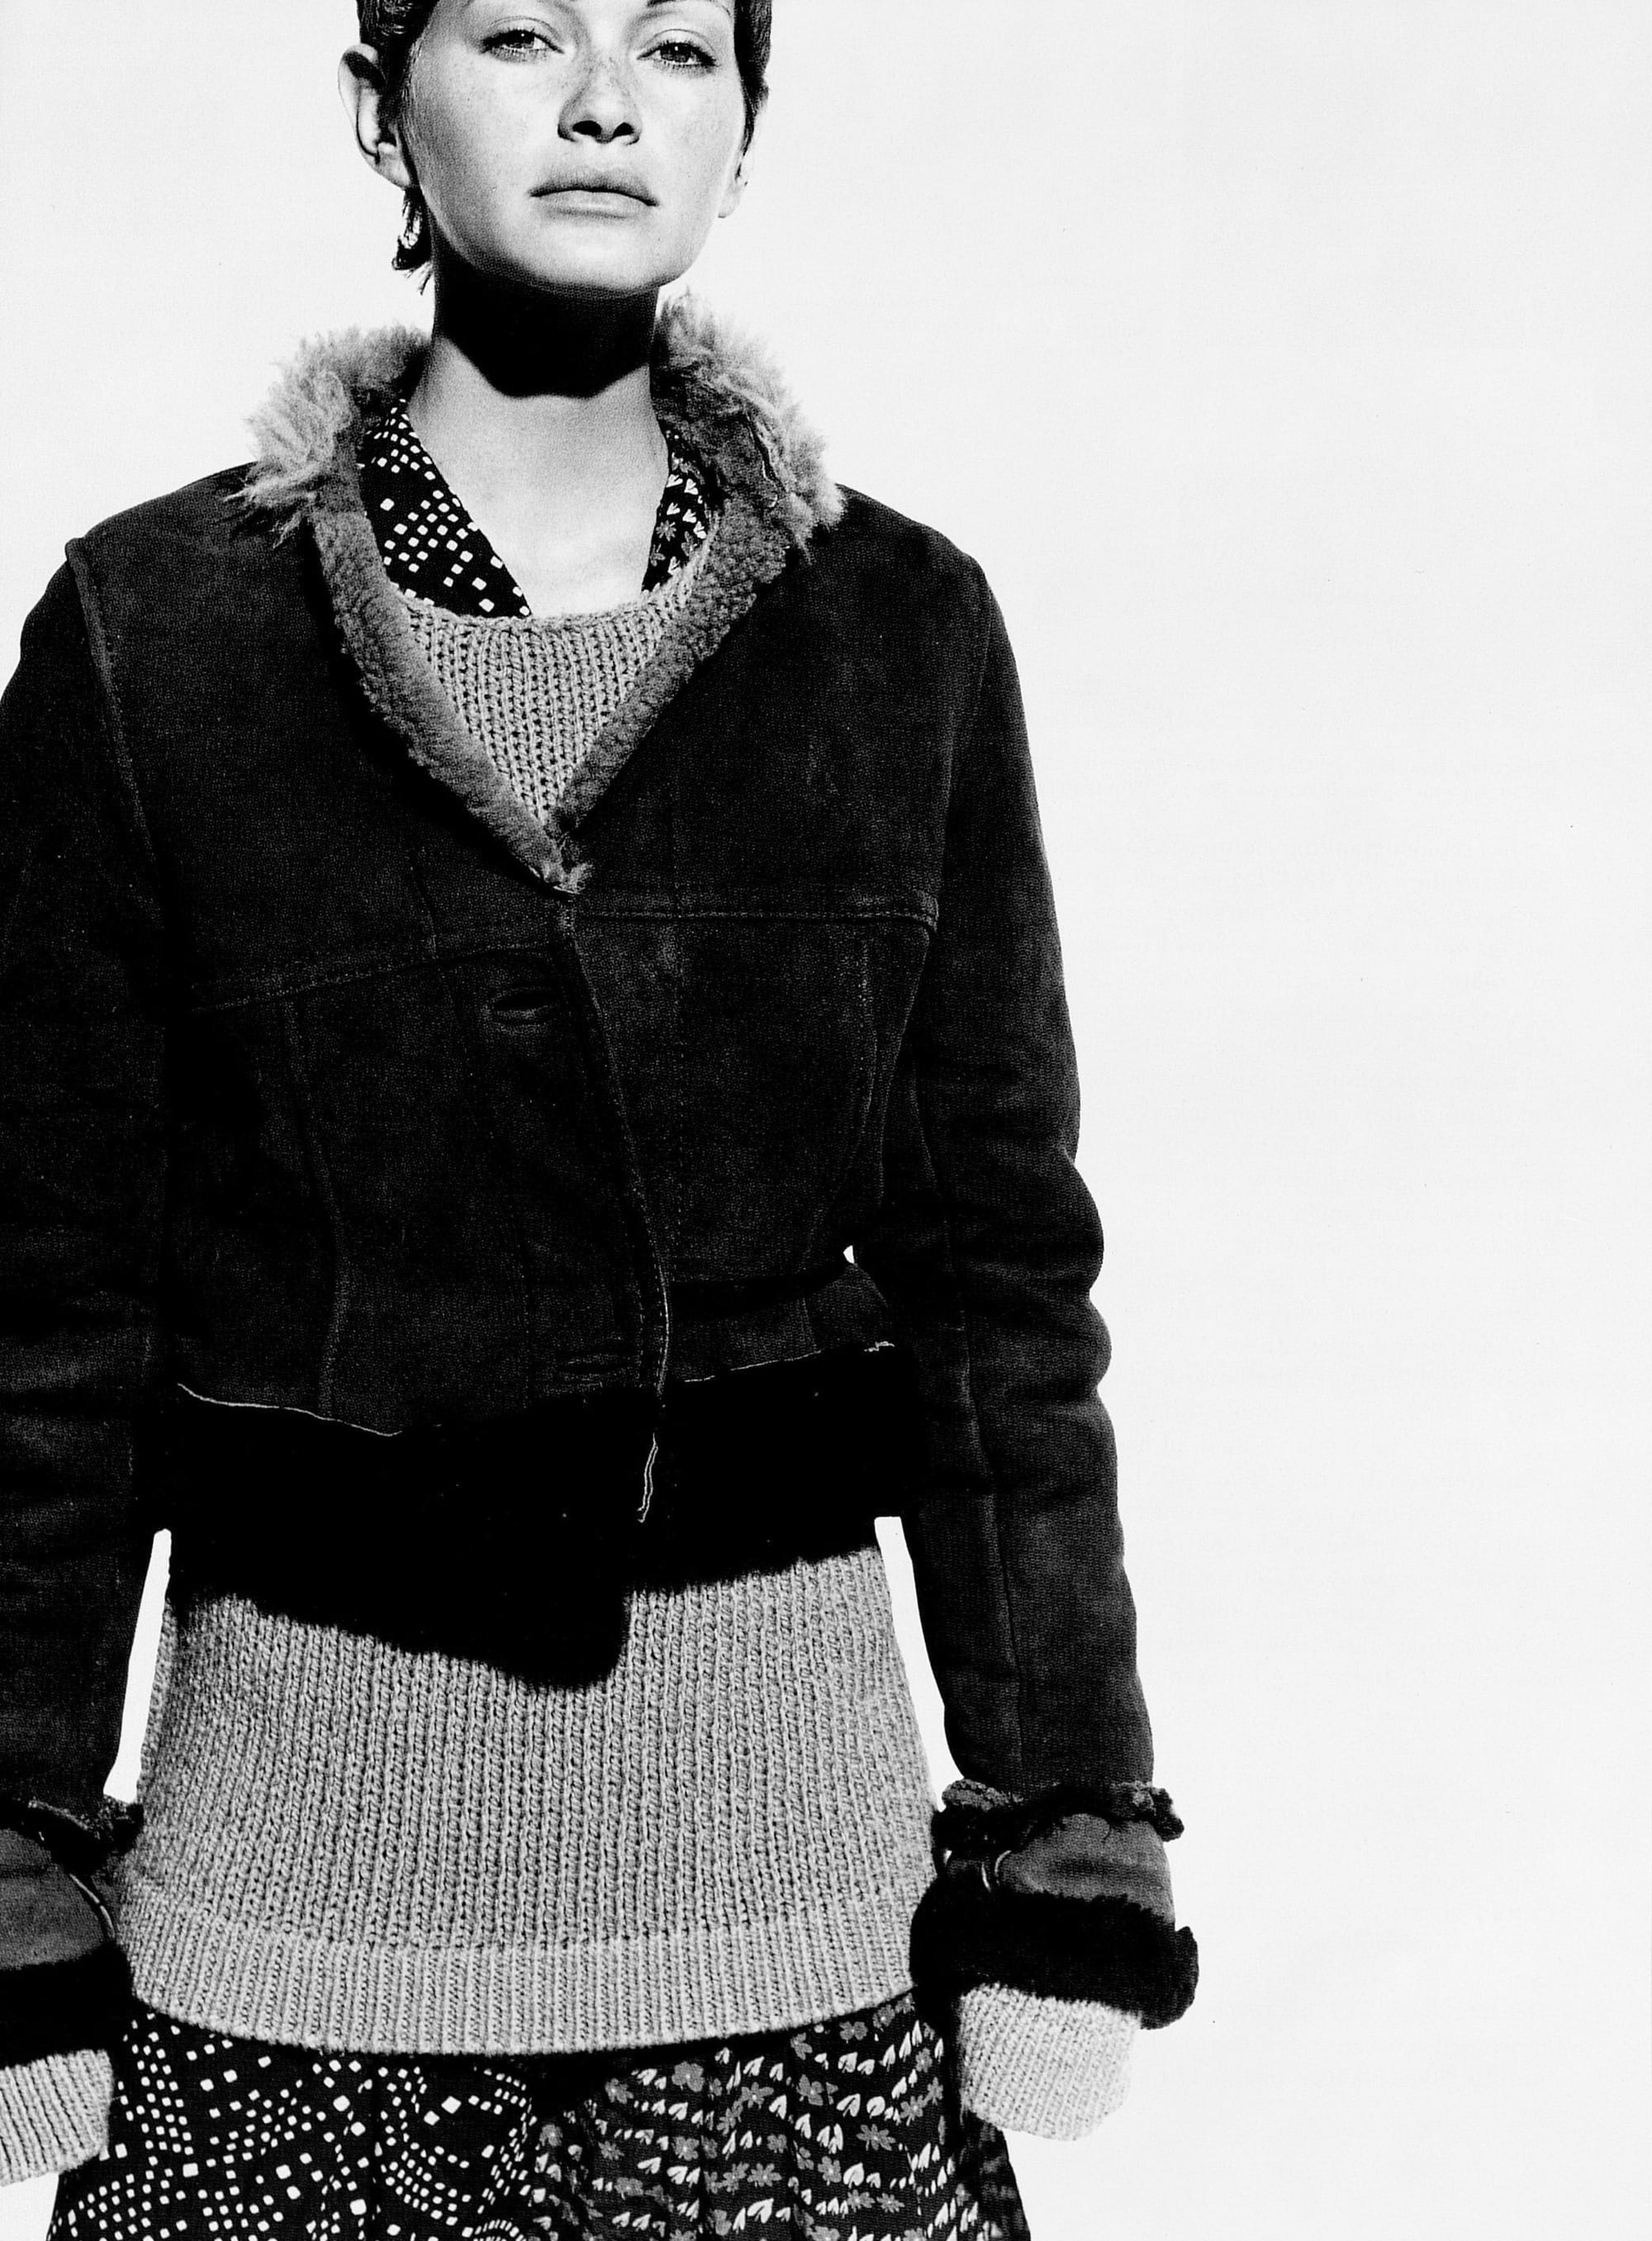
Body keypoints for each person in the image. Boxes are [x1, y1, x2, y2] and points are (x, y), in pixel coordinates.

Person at [0, 2, 1198, 2233]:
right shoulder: (154, 641)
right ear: (382, 102)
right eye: (522, 29)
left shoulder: (897, 633)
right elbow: (46, 1316)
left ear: (748, 124)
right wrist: (15, 1857)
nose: (601, 100)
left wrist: (1069, 1820)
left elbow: (1001, 1284)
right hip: (290, 1937)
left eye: (676, 46)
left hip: (801, 1930)